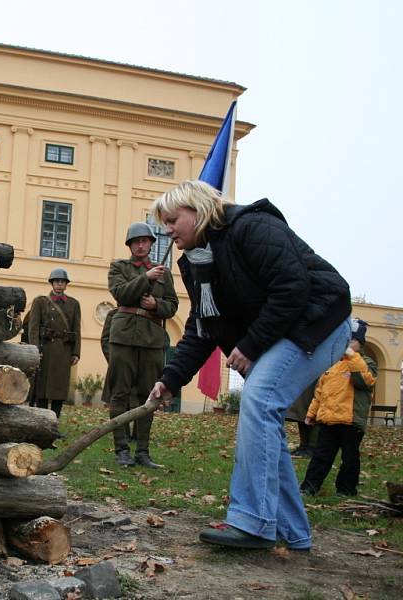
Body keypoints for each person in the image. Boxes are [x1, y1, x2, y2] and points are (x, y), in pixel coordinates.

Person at [148, 180, 351, 551]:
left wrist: (251, 344)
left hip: (319, 322)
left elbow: (292, 287)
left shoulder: (252, 227)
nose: (167, 230)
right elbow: (202, 327)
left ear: (198, 210)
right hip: (281, 331)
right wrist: (171, 379)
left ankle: (253, 522)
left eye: (173, 220)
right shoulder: (196, 262)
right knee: (265, 425)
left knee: (258, 402)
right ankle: (292, 532)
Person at [107, 222, 178, 468]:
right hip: (124, 335)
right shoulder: (119, 267)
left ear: (150, 244)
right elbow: (121, 294)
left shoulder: (164, 273)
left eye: (145, 241)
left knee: (150, 395)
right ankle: (122, 450)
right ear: (129, 245)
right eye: (136, 241)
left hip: (152, 339)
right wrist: (145, 278)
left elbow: (172, 306)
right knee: (120, 393)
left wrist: (155, 306)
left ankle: (143, 452)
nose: (140, 245)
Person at [300, 319, 376, 497]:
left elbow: (366, 381)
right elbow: (320, 391)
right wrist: (311, 413)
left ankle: (346, 489)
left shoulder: (365, 362)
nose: (346, 345)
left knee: (349, 458)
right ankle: (309, 487)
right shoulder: (331, 364)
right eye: (345, 341)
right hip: (328, 420)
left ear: (360, 342)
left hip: (351, 421)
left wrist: (352, 356)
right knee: (321, 456)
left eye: (351, 341)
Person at [27, 268, 81, 423]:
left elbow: (76, 329)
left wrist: (76, 352)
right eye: (56, 281)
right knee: (42, 388)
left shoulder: (73, 304)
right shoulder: (40, 302)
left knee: (59, 389)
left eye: (62, 281)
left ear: (66, 284)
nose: (59, 284)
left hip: (64, 350)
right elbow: (34, 328)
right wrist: (35, 349)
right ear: (52, 283)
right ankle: (42, 421)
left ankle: (54, 421)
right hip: (46, 349)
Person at [285, 382, 319, 458]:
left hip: (317, 381)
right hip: (305, 384)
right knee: (301, 414)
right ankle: (304, 445)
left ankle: (312, 446)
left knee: (314, 415)